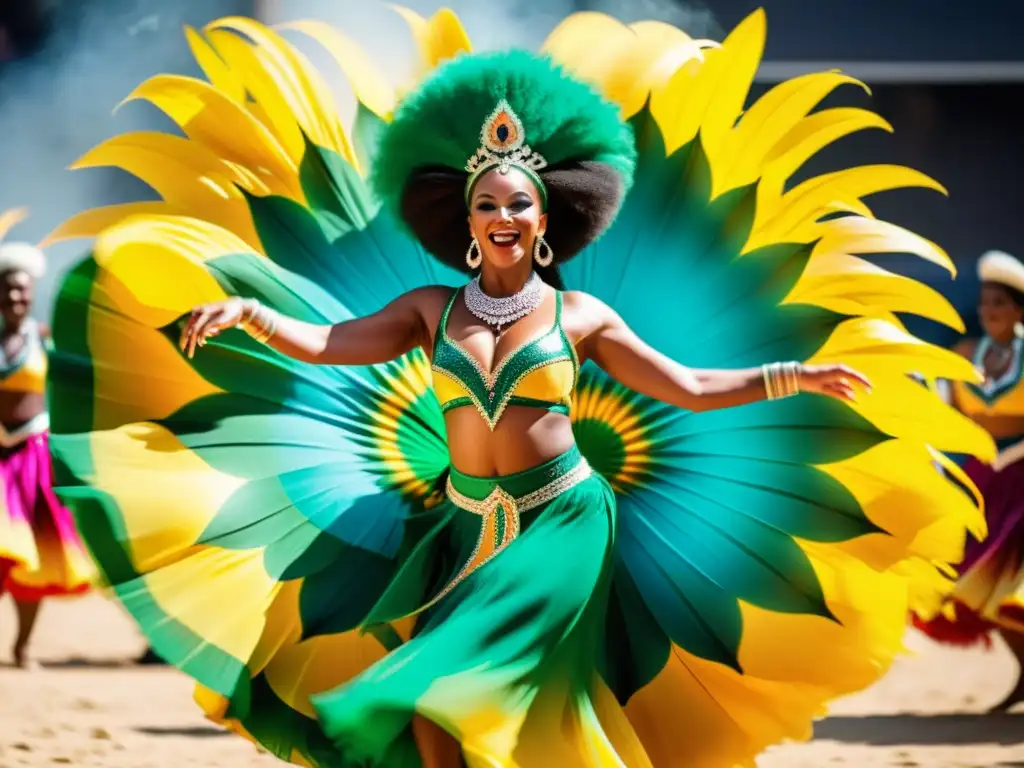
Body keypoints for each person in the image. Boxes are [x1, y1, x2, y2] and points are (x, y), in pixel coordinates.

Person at [45, 9, 986, 766]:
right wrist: (253, 319)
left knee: (434, 683)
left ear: (548, 221)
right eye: (487, 204)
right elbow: (333, 344)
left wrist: (796, 375)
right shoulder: (427, 309)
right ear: (467, 222)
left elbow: (691, 388)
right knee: (444, 718)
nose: (502, 216)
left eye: (519, 205)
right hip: (457, 523)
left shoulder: (581, 321)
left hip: (563, 523)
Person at [913, 249, 1024, 712]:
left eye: (999, 302)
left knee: (1016, 585)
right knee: (977, 584)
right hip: (984, 481)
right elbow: (943, 417)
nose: (989, 311)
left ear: (1019, 308)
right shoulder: (962, 356)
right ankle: (1023, 668)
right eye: (984, 303)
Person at [0, 210, 93, 668]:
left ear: (31, 293)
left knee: (32, 555)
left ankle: (22, 645)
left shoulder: (44, 340)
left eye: (22, 288)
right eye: (8, 287)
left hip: (33, 454)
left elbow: (79, 381)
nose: (15, 295)